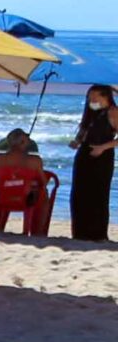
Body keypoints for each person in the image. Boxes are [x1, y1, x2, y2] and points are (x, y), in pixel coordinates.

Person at [71, 84, 114, 242]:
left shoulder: (113, 112)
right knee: (80, 194)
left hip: (102, 156)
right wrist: (77, 141)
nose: (92, 100)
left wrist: (103, 147)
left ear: (105, 97)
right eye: (90, 98)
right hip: (84, 155)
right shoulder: (92, 113)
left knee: (98, 195)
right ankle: (80, 232)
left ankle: (97, 233)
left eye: (95, 97)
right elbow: (85, 131)